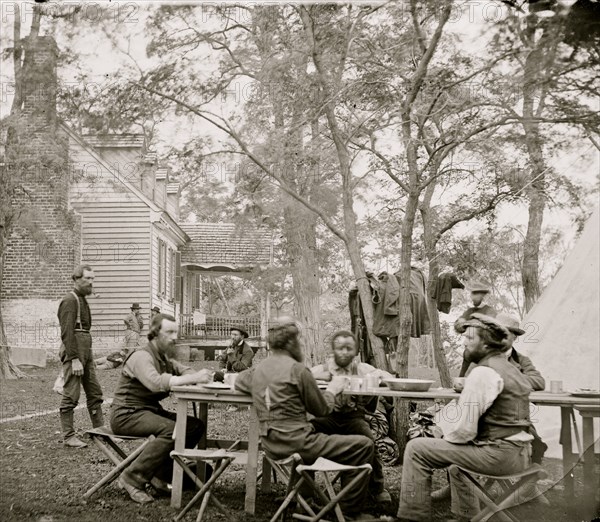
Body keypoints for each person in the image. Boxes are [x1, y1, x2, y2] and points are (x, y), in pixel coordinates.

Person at [396, 314, 533, 522]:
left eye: (470, 339)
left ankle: (411, 518)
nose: (464, 343)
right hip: (520, 455)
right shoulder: (511, 369)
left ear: (486, 344)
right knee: (456, 465)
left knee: (417, 448)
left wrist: (442, 439)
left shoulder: (482, 373)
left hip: (498, 456)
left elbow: (465, 431)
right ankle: (466, 516)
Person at [235, 317, 375, 521]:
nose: (301, 345)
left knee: (315, 431)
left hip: (271, 444)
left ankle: (305, 499)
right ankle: (349, 512)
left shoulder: (260, 369)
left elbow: (240, 380)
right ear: (291, 343)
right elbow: (323, 409)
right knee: (364, 445)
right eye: (299, 341)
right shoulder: (298, 370)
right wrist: (334, 390)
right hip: (298, 443)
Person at [110, 313, 213, 504]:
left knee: (193, 426)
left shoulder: (163, 358)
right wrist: (193, 379)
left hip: (147, 410)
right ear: (155, 334)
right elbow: (155, 383)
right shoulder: (141, 356)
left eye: (176, 332)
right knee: (171, 429)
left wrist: (194, 375)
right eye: (170, 332)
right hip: (127, 413)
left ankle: (161, 472)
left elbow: (185, 370)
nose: (175, 337)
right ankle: (132, 478)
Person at [310, 330, 394, 504]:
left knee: (369, 441)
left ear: (356, 351)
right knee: (305, 436)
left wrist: (377, 376)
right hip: (327, 417)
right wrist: (316, 376)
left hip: (353, 418)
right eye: (340, 348)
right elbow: (300, 375)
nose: (344, 352)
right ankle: (303, 490)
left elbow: (387, 376)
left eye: (349, 348)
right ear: (333, 350)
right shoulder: (322, 368)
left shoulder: (362, 368)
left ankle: (376, 488)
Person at [58, 264, 104, 448]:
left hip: (86, 349)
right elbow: (67, 332)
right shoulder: (70, 300)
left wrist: (86, 355)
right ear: (76, 280)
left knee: (94, 392)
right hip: (74, 351)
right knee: (71, 394)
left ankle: (100, 432)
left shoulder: (82, 299)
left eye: (93, 279)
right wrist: (75, 358)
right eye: (88, 279)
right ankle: (69, 436)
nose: (92, 282)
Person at [454, 281, 497, 378]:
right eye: (472, 294)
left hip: (485, 352)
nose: (472, 297)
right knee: (462, 380)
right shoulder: (469, 311)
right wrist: (469, 323)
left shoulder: (490, 311)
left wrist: (467, 323)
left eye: (475, 294)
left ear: (483, 295)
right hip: (469, 352)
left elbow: (489, 325)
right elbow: (458, 326)